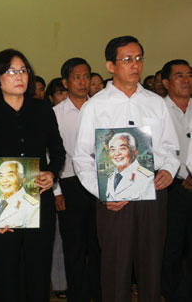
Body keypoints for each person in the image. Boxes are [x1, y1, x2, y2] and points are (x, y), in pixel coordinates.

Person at [73, 36, 180, 302]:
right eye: (127, 59)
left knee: (151, 268)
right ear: (110, 65)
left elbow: (170, 147)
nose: (136, 65)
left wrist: (168, 168)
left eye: (139, 58)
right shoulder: (95, 106)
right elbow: (81, 157)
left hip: (153, 193)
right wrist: (103, 193)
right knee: (115, 269)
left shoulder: (156, 102)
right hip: (114, 197)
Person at [0, 48, 65, 301]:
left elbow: (58, 152)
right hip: (1, 209)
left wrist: (52, 174)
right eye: (11, 71)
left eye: (23, 70)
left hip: (39, 201)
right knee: (5, 275)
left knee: (37, 272)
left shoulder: (43, 110)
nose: (19, 76)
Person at [54, 57, 101, 302]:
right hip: (70, 184)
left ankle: (99, 293)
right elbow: (51, 155)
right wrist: (57, 191)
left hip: (99, 183)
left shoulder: (101, 107)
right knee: (74, 248)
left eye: (86, 77)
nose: (83, 82)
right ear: (65, 81)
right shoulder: (56, 114)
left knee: (99, 246)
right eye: (76, 77)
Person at [160, 59, 192, 301]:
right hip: (172, 189)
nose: (186, 80)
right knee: (170, 249)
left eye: (189, 75)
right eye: (179, 75)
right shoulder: (157, 111)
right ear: (165, 82)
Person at [104, 132, 155, 201]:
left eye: (122, 148)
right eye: (113, 149)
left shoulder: (147, 179)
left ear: (134, 152)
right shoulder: (112, 177)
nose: (117, 153)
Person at [0, 160, 39, 228]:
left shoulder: (32, 206)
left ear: (22, 180)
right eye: (1, 176)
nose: (4, 180)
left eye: (10, 175)